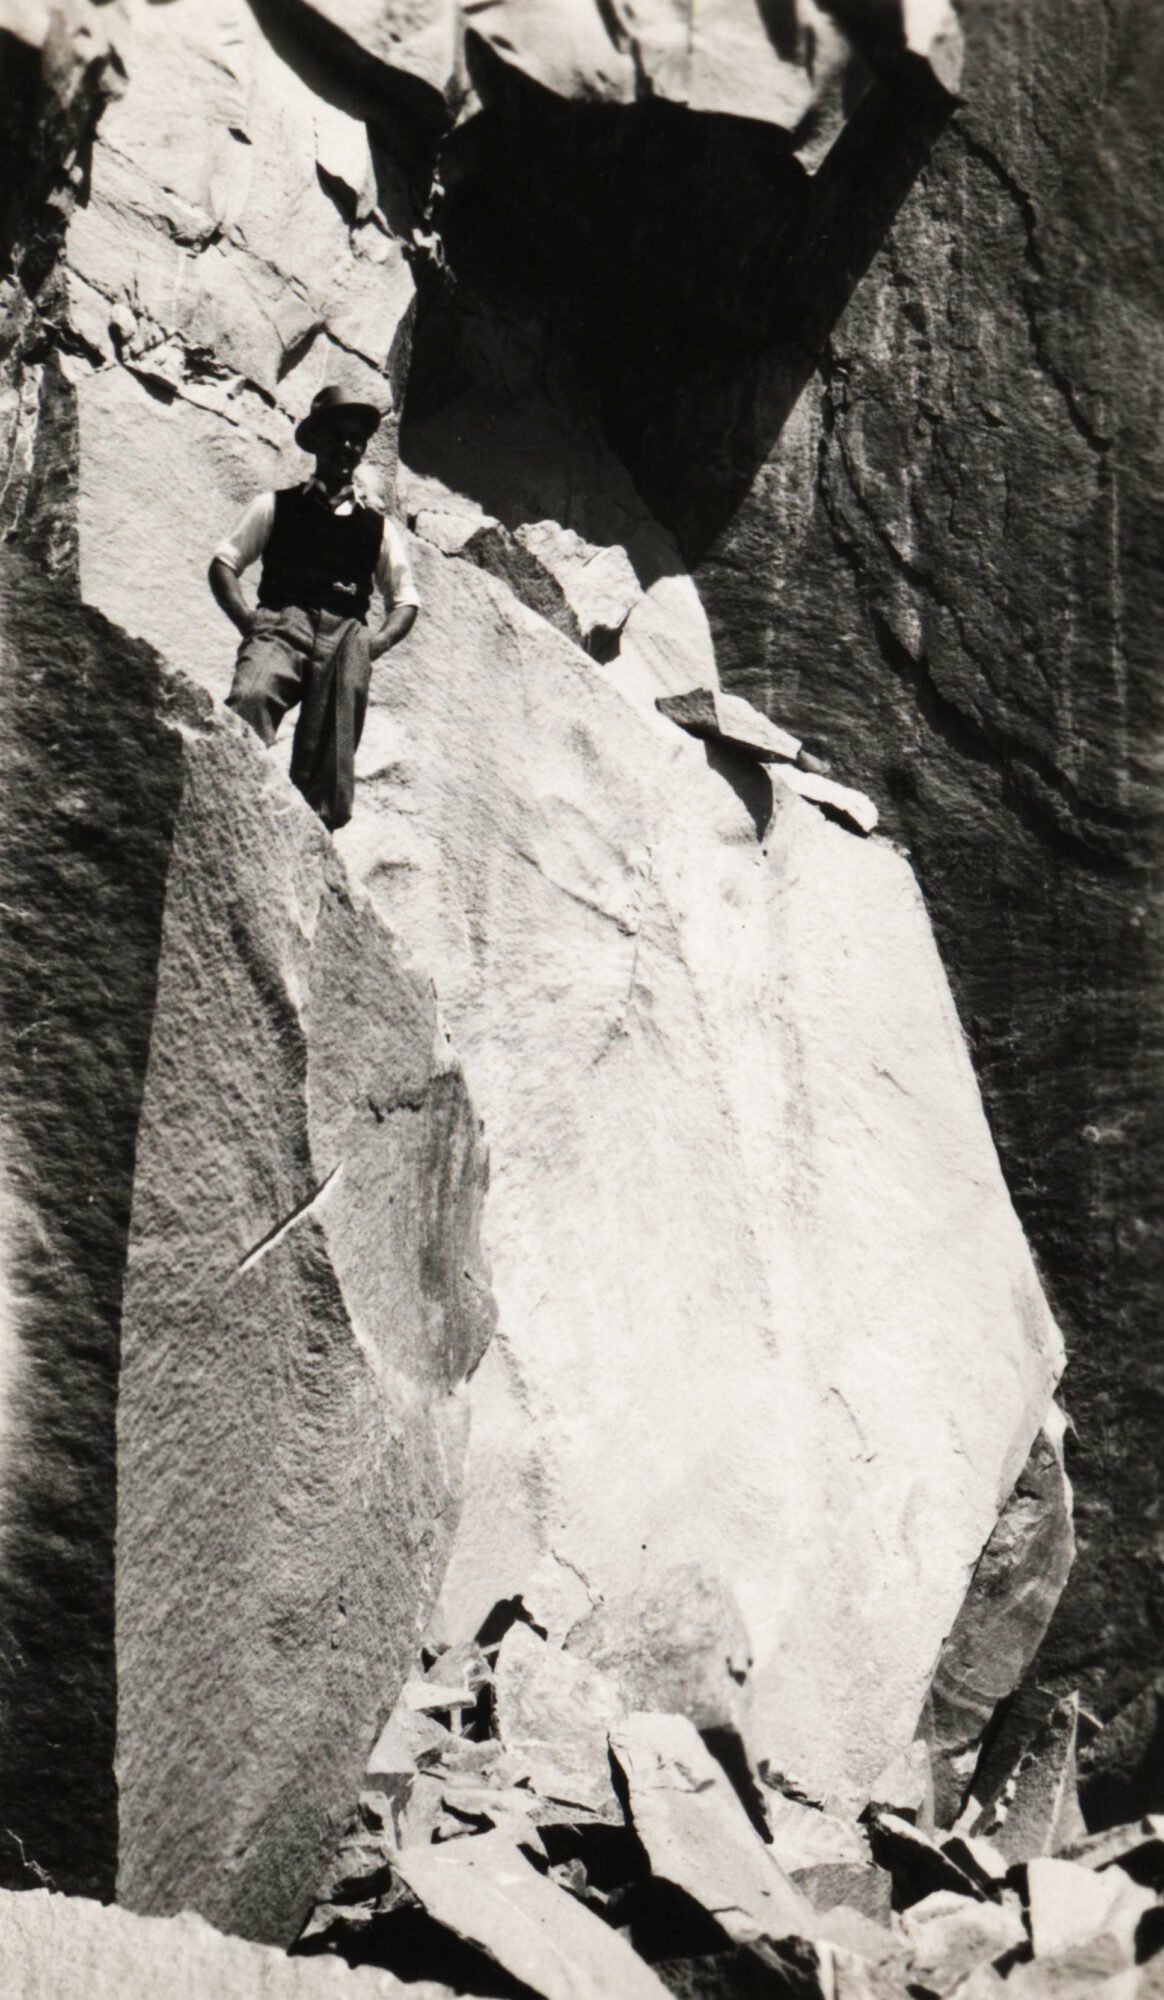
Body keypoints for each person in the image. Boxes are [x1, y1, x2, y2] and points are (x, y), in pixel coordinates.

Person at [208, 385, 420, 832]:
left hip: (346, 636)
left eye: (357, 440)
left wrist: (369, 646)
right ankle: (226, 814)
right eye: (339, 436)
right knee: (250, 698)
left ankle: (308, 847)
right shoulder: (274, 505)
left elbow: (405, 602)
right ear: (318, 439)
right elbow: (224, 564)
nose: (348, 447)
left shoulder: (377, 528)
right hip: (281, 622)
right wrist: (251, 623)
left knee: (330, 763)